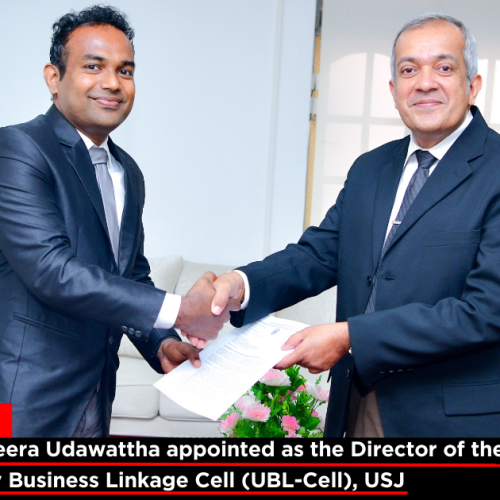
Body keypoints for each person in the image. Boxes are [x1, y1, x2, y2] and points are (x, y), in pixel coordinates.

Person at [201, 13, 500, 437]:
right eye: (409, 70)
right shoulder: (370, 168)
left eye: (444, 67)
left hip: (450, 421)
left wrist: (350, 337)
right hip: (354, 402)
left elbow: (486, 312)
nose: (425, 83)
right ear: (393, 91)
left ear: (473, 85)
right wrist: (240, 284)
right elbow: (319, 255)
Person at [0, 5, 237, 437]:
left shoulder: (127, 171)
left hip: (97, 397)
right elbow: (52, 270)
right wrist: (182, 310)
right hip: (23, 401)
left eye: (125, 71)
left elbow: (130, 275)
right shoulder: (18, 149)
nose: (112, 83)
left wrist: (161, 343)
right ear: (53, 77)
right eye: (93, 66)